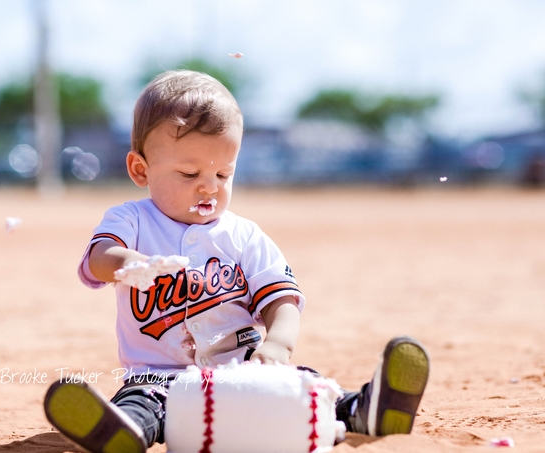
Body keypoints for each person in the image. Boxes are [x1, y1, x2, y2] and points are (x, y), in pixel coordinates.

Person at [43, 70, 430, 453]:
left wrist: (278, 344)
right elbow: (98, 259)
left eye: (223, 173)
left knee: (304, 389)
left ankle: (366, 410)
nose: (209, 185)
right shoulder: (131, 220)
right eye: (190, 172)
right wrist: (128, 262)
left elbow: (282, 299)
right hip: (159, 377)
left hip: (245, 375)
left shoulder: (244, 235)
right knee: (144, 402)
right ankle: (123, 431)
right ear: (141, 170)